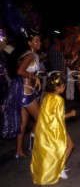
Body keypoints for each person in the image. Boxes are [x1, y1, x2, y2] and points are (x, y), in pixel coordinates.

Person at [1, 28, 42, 159]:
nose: (39, 42)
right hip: (26, 93)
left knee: (23, 123)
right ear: (30, 43)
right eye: (36, 41)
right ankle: (34, 144)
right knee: (42, 119)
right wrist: (35, 77)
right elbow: (20, 71)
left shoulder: (31, 54)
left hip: (24, 92)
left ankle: (19, 151)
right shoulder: (29, 55)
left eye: (39, 40)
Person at [30, 72, 76, 184]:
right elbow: (60, 118)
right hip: (56, 129)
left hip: (46, 129)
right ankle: (60, 169)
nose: (64, 87)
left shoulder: (46, 97)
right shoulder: (59, 100)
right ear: (57, 87)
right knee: (70, 145)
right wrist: (71, 114)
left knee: (53, 151)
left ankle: (58, 168)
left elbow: (44, 115)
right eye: (63, 86)